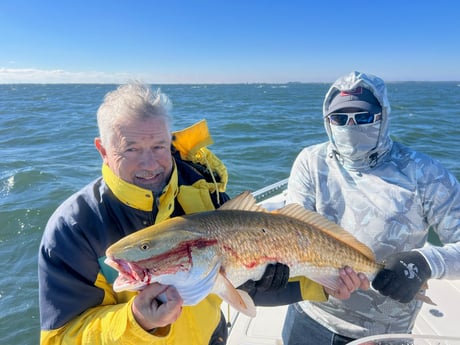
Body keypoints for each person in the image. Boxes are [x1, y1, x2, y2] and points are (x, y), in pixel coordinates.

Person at [38, 82, 366, 345]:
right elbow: (61, 338)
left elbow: (237, 278)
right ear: (103, 150)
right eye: (131, 150)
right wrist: (136, 321)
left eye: (159, 147)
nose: (150, 164)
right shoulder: (74, 229)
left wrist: (320, 284)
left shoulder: (204, 195)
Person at [282, 71, 460, 344]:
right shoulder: (310, 162)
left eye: (363, 117)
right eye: (340, 119)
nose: (350, 126)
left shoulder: (424, 173)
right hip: (309, 316)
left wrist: (426, 262)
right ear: (327, 122)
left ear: (383, 116)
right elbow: (291, 232)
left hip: (384, 334)